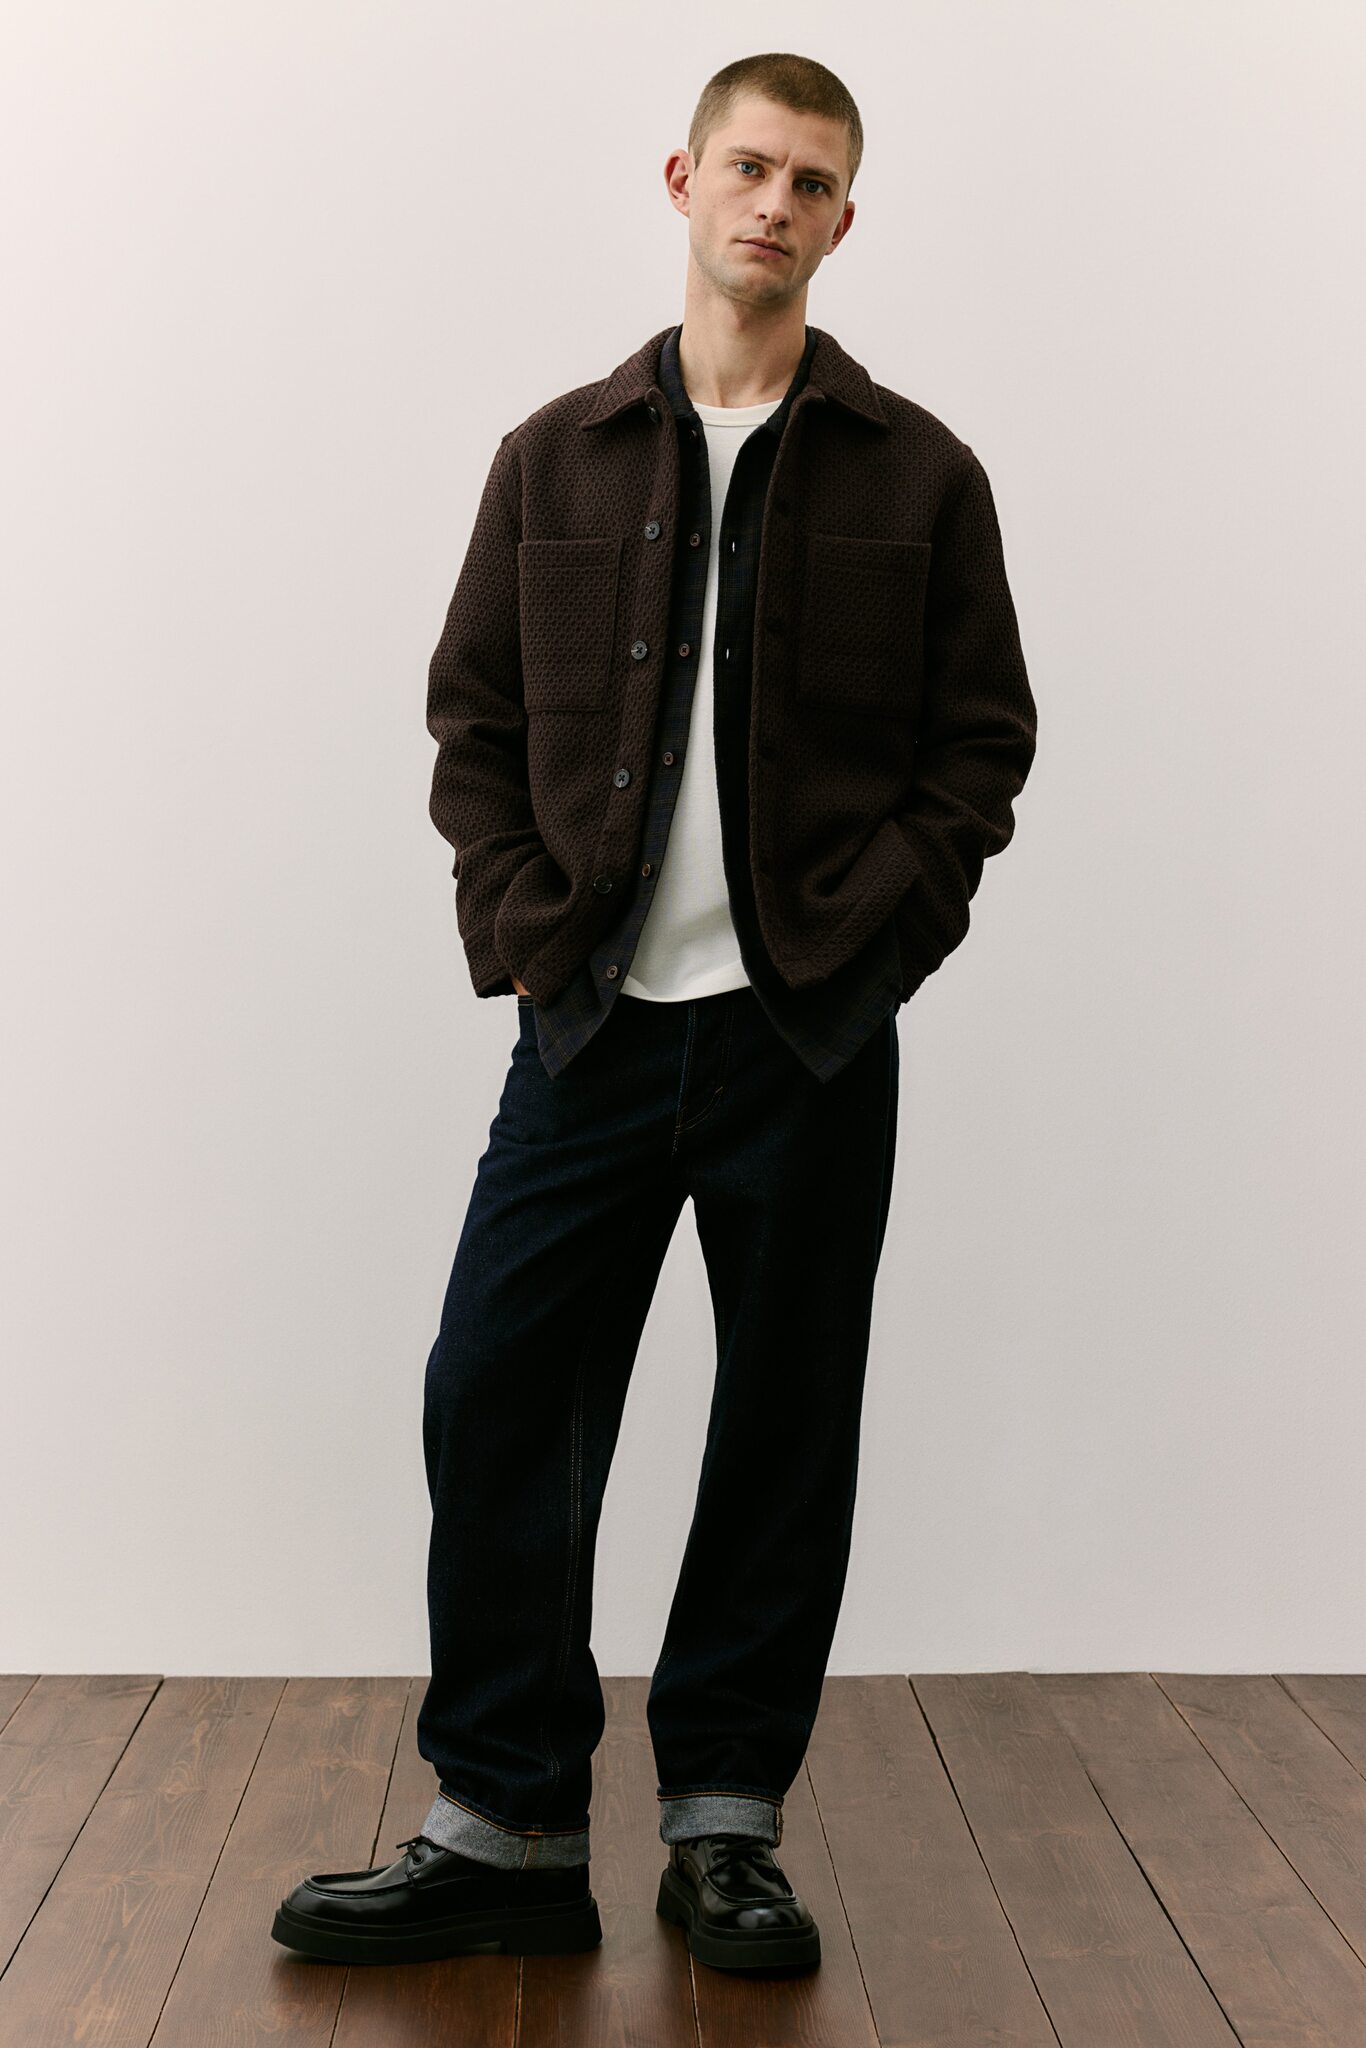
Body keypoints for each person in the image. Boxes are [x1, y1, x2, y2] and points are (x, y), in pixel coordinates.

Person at [272, 49, 1036, 1976]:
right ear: (683, 180)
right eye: (750, 167)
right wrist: (529, 932)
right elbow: (471, 719)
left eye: (813, 182)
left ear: (844, 221)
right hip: (591, 1026)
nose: (775, 204)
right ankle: (508, 1824)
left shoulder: (919, 473)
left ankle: (724, 1827)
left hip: (805, 1039)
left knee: (782, 1429)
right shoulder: (556, 456)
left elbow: (978, 748)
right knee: (494, 1393)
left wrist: (866, 951)